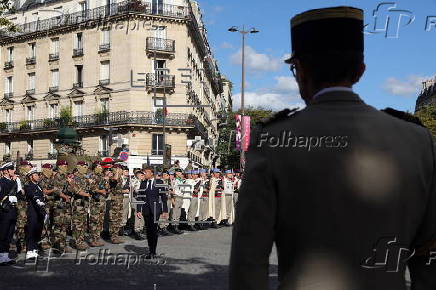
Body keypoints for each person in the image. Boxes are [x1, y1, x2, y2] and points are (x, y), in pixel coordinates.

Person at [230, 6, 436, 290]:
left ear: (299, 70)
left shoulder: (272, 139)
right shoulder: (416, 139)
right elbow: (429, 252)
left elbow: (248, 257)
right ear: (361, 70)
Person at [136, 167, 169, 259]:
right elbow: (140, 197)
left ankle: (153, 251)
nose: (144, 174)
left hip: (156, 210)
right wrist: (138, 210)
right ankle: (150, 249)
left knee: (154, 230)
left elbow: (163, 197)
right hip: (146, 210)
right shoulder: (143, 183)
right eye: (144, 172)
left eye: (146, 172)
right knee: (148, 230)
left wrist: (165, 210)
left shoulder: (159, 182)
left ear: (151, 173)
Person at [24, 168, 47, 260]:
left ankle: (34, 250)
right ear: (31, 177)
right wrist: (38, 200)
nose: (38, 176)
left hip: (40, 212)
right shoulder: (28, 185)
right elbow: (32, 195)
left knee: (38, 231)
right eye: (36, 175)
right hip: (33, 212)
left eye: (37, 174)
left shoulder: (38, 186)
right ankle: (30, 250)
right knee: (31, 231)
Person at [0, 162, 18, 265]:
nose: (13, 171)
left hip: (12, 211)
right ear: (6, 171)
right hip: (4, 211)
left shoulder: (13, 181)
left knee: (9, 234)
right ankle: (1, 257)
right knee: (3, 233)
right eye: (11, 169)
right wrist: (7, 199)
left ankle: (5, 256)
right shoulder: (2, 182)